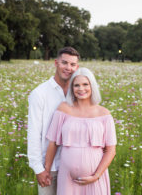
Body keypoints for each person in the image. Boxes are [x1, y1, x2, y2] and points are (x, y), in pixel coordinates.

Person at [45, 68, 117, 195]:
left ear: (92, 86)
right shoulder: (63, 109)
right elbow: (53, 143)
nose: (81, 89)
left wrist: (96, 175)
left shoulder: (104, 114)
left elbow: (111, 150)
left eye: (85, 84)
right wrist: (46, 170)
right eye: (76, 85)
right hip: (67, 179)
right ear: (72, 88)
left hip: (95, 179)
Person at [27, 47, 80, 195]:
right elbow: (34, 133)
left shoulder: (79, 92)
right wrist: (38, 168)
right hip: (50, 168)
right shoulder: (40, 94)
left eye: (72, 64)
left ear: (77, 67)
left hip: (73, 165)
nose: (68, 68)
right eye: (64, 63)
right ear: (56, 63)